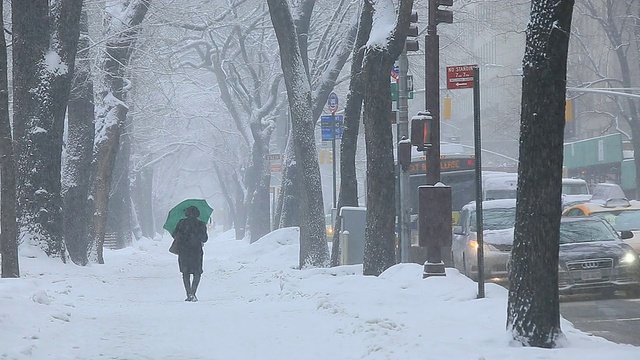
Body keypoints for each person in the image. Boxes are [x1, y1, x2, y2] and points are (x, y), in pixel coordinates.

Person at [172, 206, 208, 302]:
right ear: (198, 214)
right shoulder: (201, 224)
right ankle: (193, 292)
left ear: (186, 213)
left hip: (184, 251)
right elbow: (205, 238)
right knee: (197, 272)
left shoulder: (181, 223)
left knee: (185, 272)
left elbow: (174, 235)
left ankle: (188, 294)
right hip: (196, 251)